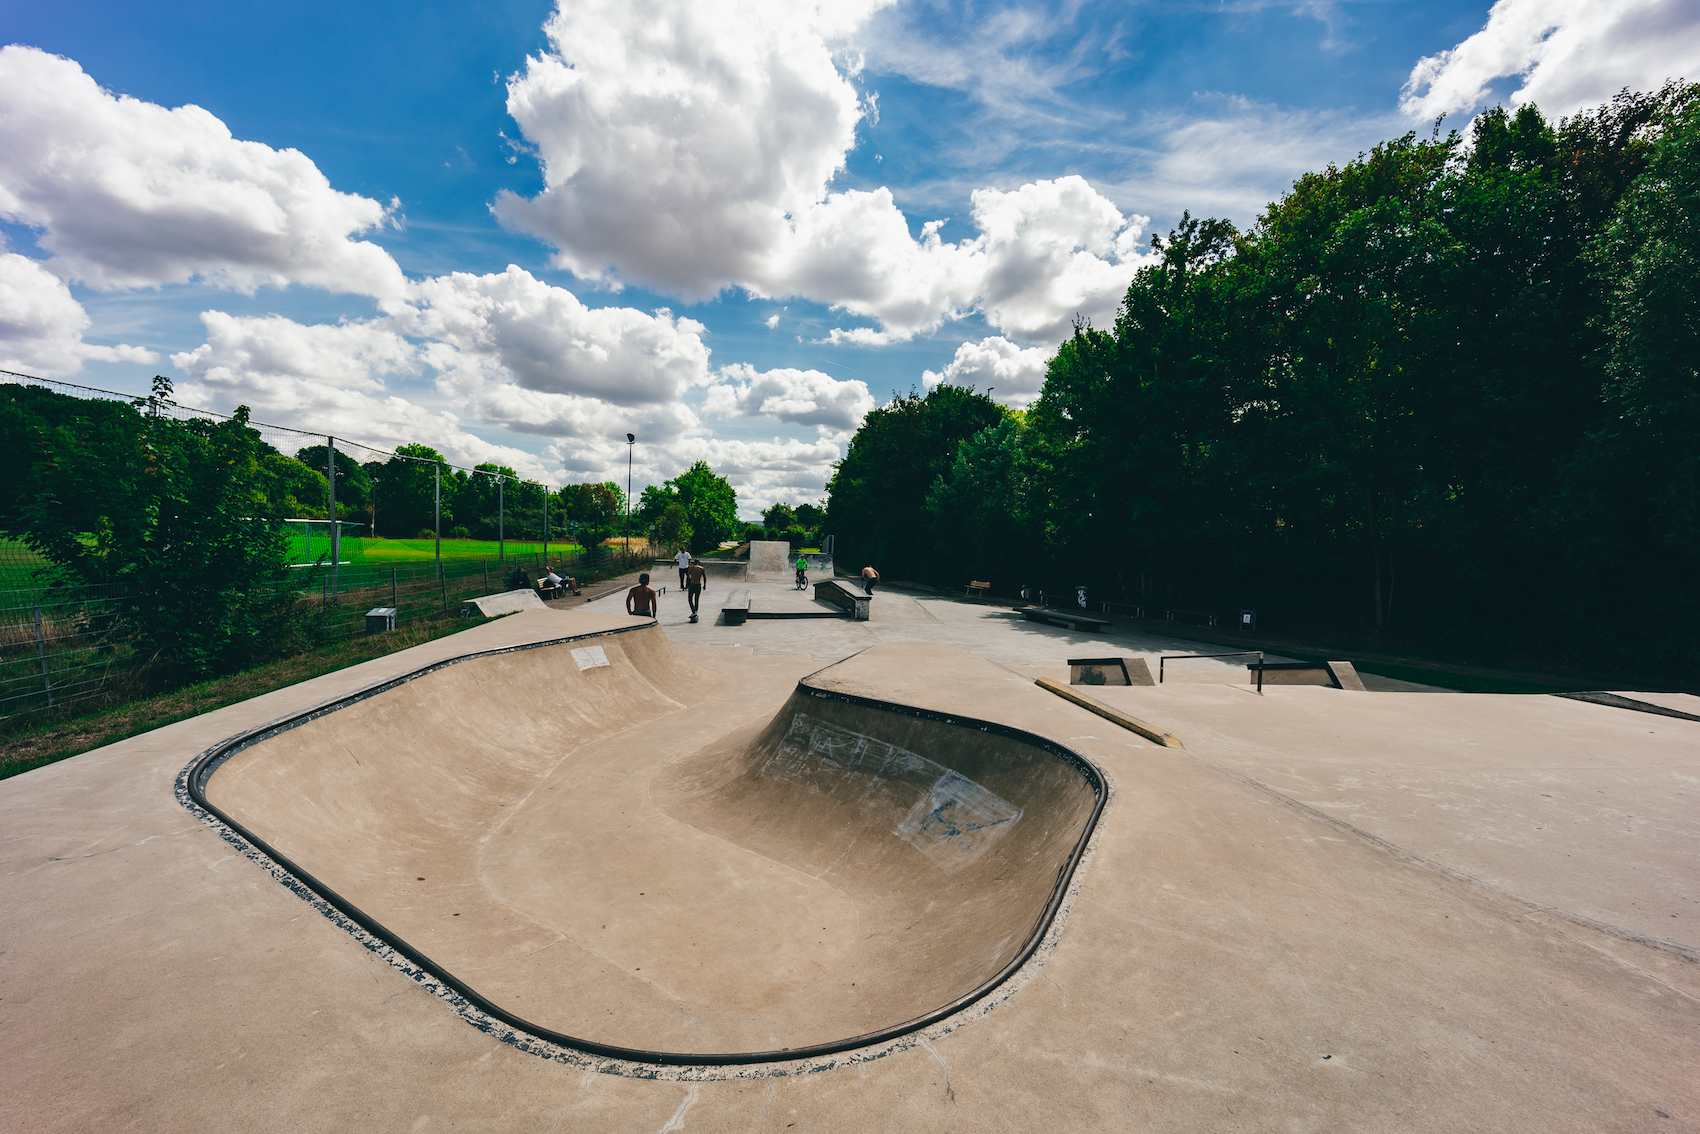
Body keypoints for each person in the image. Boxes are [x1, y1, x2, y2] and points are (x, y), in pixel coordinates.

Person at [685, 557, 706, 622]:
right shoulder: (701, 569)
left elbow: (688, 577)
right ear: (699, 563)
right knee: (696, 599)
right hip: (698, 585)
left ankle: (693, 611)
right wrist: (704, 585)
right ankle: (695, 611)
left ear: (694, 563)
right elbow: (704, 578)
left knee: (690, 599)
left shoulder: (691, 568)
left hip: (692, 584)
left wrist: (686, 585)